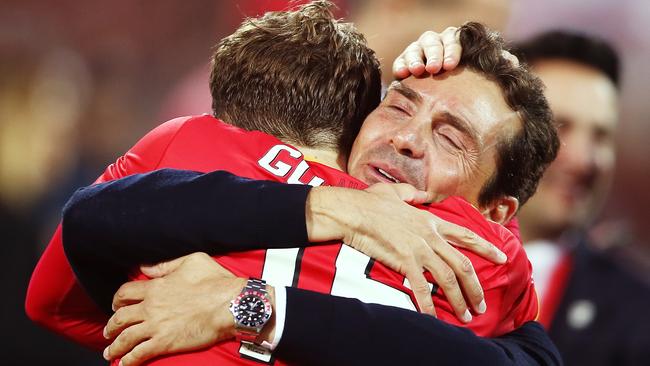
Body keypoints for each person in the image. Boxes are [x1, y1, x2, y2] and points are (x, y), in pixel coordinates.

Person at [26, 3, 560, 365]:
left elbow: (62, 284)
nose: (405, 140)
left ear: (498, 213)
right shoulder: (225, 163)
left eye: (451, 138)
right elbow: (91, 220)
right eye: (398, 106)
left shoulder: (476, 262)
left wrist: (244, 306)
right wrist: (333, 208)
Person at [513, 31, 650, 365]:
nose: (586, 160)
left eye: (601, 135)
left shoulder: (638, 316)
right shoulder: (412, 249)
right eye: (560, 126)